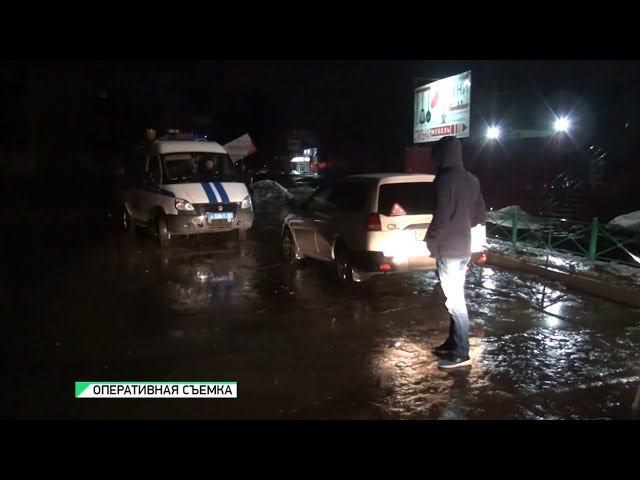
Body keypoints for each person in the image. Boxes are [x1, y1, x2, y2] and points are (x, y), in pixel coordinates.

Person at [425, 136, 486, 369]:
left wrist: (430, 241)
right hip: (463, 249)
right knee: (454, 298)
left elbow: (441, 217)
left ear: (442, 155)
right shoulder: (472, 180)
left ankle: (461, 352)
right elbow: (480, 215)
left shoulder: (444, 180)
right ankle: (453, 343)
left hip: (449, 249)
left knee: (455, 302)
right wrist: (476, 246)